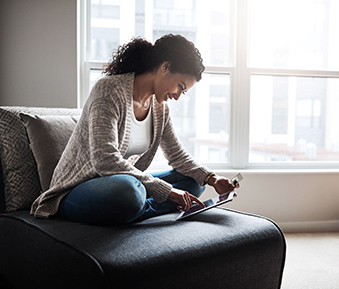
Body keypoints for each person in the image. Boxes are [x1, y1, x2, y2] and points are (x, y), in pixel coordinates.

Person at [30, 34, 238, 224]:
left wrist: (211, 178)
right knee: (129, 192)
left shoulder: (160, 109)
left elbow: (177, 155)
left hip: (123, 184)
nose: (177, 95)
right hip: (78, 189)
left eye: (183, 92)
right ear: (165, 66)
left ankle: (135, 211)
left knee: (195, 182)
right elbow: (105, 160)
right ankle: (139, 209)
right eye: (180, 86)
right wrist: (166, 192)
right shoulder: (109, 90)